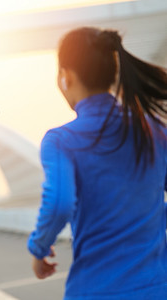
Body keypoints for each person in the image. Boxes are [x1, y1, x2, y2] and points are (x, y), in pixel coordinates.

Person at [27, 27, 167, 299]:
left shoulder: (61, 140)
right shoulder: (154, 131)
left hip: (96, 290)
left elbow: (59, 204)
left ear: (66, 76)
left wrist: (39, 248)